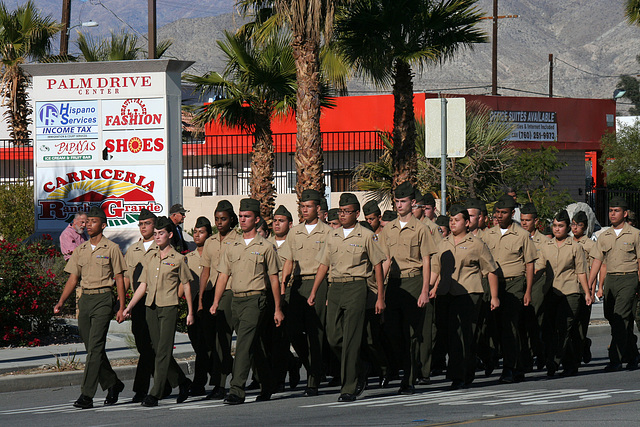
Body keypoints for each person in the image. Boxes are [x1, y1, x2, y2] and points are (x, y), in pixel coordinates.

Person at [309, 192, 386, 402]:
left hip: (356, 287)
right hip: (335, 288)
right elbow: (323, 265)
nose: (342, 215)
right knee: (333, 337)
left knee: (352, 339)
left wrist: (380, 296)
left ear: (357, 213)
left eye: (347, 211)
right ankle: (361, 365)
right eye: (340, 211)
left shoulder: (366, 235)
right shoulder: (332, 236)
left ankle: (348, 387)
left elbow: (377, 265)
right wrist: (315, 291)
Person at [211, 198, 283, 405]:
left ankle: (236, 389)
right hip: (236, 300)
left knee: (242, 344)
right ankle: (268, 382)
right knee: (254, 346)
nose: (243, 220)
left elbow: (274, 279)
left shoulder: (266, 247)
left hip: (256, 300)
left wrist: (277, 308)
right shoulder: (231, 246)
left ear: (256, 219)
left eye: (247, 216)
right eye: (241, 216)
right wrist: (215, 302)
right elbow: (223, 276)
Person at [53, 206, 127, 409]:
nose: (88, 225)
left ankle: (87, 395)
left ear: (103, 225)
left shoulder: (111, 248)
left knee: (94, 348)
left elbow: (119, 278)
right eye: (87, 221)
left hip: (104, 299)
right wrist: (61, 301)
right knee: (92, 347)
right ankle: (113, 384)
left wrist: (121, 305)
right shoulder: (81, 249)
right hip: (84, 300)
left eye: (93, 222)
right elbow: (73, 278)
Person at [123, 216, 194, 407]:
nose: (157, 236)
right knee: (156, 350)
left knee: (163, 350)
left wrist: (190, 312)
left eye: (160, 233)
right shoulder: (150, 257)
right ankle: (183, 382)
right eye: (155, 234)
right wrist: (128, 307)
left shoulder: (178, 259)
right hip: (150, 307)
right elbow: (142, 285)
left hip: (169, 307)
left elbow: (186, 285)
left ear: (170, 235)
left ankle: (155, 393)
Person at [430, 204, 500, 389]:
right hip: (446, 292)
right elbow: (435, 270)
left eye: (457, 220)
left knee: (463, 335)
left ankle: (460, 374)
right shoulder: (442, 243)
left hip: (469, 293)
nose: (453, 223)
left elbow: (490, 271)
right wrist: (428, 288)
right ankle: (464, 369)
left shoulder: (477, 244)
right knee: (447, 334)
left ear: (467, 223)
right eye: (451, 220)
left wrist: (494, 296)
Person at [378, 182, 437, 394]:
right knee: (393, 332)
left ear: (413, 203)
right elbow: (384, 260)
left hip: (413, 281)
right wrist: (380, 291)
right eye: (397, 201)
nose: (399, 205)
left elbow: (427, 261)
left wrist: (424, 291)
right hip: (393, 283)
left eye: (403, 201)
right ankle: (403, 369)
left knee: (411, 334)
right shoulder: (389, 229)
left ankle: (409, 379)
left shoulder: (421, 229)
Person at [280, 189, 333, 397]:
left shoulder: (328, 232)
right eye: (302, 206)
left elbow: (330, 263)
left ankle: (313, 380)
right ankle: (313, 367)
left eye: (309, 206)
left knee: (315, 333)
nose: (305, 210)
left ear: (318, 208)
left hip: (319, 284)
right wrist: (284, 285)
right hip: (298, 284)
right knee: (293, 331)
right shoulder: (295, 232)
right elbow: (288, 260)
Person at [482, 194, 537, 383]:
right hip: (493, 284)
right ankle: (515, 364)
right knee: (494, 327)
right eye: (497, 212)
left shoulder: (522, 235)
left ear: (512, 213)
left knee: (510, 327)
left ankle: (510, 368)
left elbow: (529, 264)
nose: (499, 215)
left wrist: (528, 290)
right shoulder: (488, 234)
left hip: (514, 283)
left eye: (503, 212)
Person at [535, 210, 592, 377]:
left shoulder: (575, 247)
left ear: (567, 228)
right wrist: (529, 280)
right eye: (554, 226)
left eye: (561, 226)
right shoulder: (546, 246)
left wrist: (587, 293)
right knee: (550, 329)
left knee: (563, 327)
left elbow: (581, 272)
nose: (557, 229)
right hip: (551, 292)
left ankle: (554, 361)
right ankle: (571, 363)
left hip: (571, 292)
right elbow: (540, 267)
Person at [588, 197, 640, 372]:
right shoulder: (604, 236)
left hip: (629, 278)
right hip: (611, 280)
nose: (612, 214)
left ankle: (615, 359)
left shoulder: (635, 234)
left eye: (616, 211)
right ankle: (633, 355)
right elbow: (597, 261)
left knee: (619, 317)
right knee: (613, 317)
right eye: (610, 210)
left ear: (625, 213)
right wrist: (590, 284)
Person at [198, 200, 240, 400]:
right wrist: (200, 299)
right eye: (217, 219)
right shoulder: (210, 241)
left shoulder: (239, 239)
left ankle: (220, 384)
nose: (220, 222)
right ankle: (227, 371)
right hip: (211, 293)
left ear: (232, 219)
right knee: (212, 340)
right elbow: (205, 271)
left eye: (223, 219)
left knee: (222, 339)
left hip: (231, 291)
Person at [123, 208, 160, 403]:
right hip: (138, 304)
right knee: (143, 346)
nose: (143, 227)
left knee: (153, 347)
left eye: (147, 223)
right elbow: (127, 278)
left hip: (156, 302)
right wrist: (123, 304)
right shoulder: (133, 250)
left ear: (154, 225)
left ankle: (141, 388)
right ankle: (176, 380)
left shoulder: (161, 246)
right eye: (141, 224)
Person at [267, 205, 300, 391]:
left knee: (282, 337)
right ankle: (290, 363)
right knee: (271, 338)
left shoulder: (294, 242)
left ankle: (279, 378)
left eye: (282, 220)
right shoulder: (266, 243)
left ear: (290, 223)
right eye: (275, 220)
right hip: (270, 293)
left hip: (288, 292)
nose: (277, 224)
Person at [519, 202, 550, 371]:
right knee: (523, 321)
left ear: (536, 221)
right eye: (522, 220)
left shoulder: (544, 241)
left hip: (537, 282)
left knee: (534, 319)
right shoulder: (517, 237)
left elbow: (542, 265)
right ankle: (531, 353)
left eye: (528, 220)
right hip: (520, 281)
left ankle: (535, 353)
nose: (524, 223)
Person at [184, 216, 213, 397]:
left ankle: (199, 383)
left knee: (206, 346)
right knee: (199, 345)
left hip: (211, 301)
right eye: (195, 231)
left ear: (208, 235)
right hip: (193, 304)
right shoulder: (188, 258)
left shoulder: (214, 255)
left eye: (201, 232)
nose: (197, 235)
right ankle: (224, 370)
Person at [571, 210, 596, 364]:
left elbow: (594, 267)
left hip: (584, 287)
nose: (575, 228)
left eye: (579, 225)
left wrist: (592, 291)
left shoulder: (590, 245)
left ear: (585, 227)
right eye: (573, 225)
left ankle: (581, 348)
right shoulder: (567, 242)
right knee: (571, 322)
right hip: (569, 286)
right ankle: (578, 348)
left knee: (582, 323)